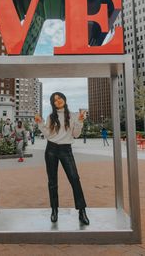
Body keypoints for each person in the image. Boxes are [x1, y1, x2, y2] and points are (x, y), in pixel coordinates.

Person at [35, 92, 89, 225]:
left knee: (75, 179)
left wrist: (80, 121)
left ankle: (82, 211)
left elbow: (76, 135)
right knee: (52, 182)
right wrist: (41, 123)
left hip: (66, 150)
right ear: (52, 104)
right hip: (51, 150)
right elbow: (48, 134)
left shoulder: (73, 115)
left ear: (64, 99)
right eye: (54, 100)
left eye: (59, 98)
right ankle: (54, 210)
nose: (57, 101)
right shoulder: (50, 117)